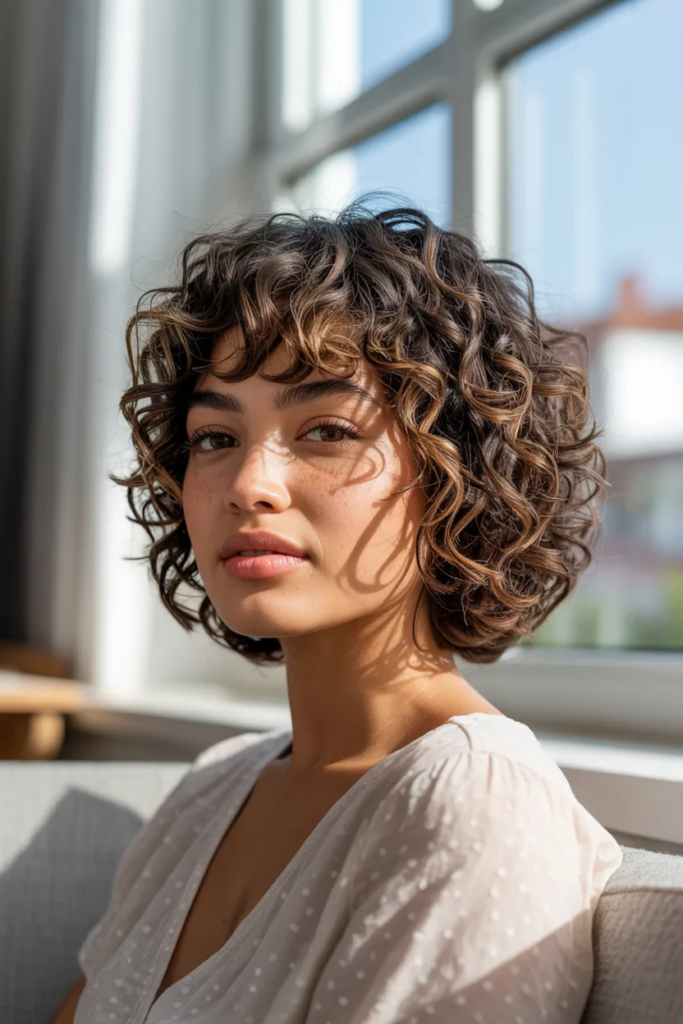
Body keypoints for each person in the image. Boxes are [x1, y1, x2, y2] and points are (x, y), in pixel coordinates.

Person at [52, 200, 623, 1024]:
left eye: (324, 429)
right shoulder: (211, 791)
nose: (250, 482)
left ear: (453, 475)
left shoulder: (470, 802)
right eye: (216, 437)